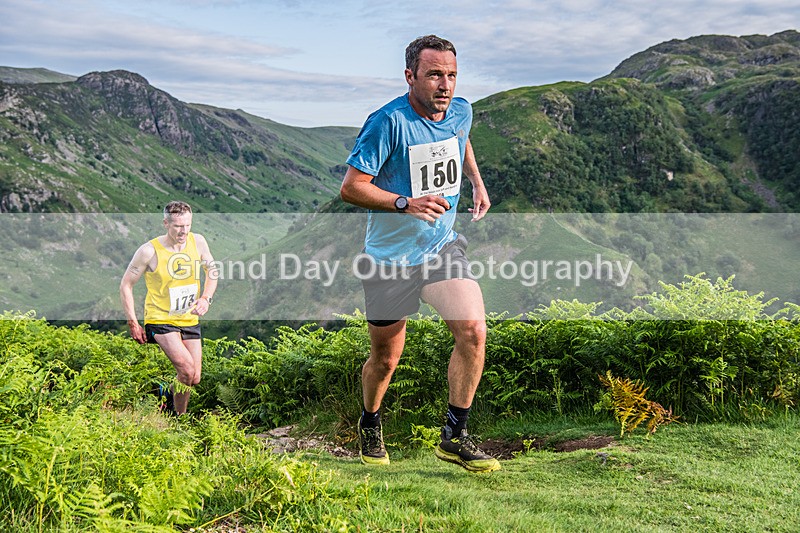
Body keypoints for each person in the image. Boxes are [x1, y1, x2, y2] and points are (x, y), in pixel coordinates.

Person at [340, 35, 500, 472]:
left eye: (451, 75)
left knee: (473, 331)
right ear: (410, 76)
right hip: (389, 259)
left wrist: (476, 182)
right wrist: (404, 203)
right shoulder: (387, 122)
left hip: (440, 246)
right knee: (386, 359)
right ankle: (370, 422)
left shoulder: (461, 110)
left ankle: (454, 436)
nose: (444, 85)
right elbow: (351, 187)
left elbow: (460, 138)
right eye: (434, 75)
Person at [120, 201, 217, 416]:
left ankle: (164, 394)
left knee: (194, 377)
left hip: (188, 317)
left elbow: (212, 271)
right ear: (166, 224)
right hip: (160, 318)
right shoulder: (149, 251)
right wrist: (133, 323)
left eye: (187, 225)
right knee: (186, 370)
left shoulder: (198, 242)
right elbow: (126, 284)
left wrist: (206, 298)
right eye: (178, 226)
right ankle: (179, 419)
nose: (183, 231)